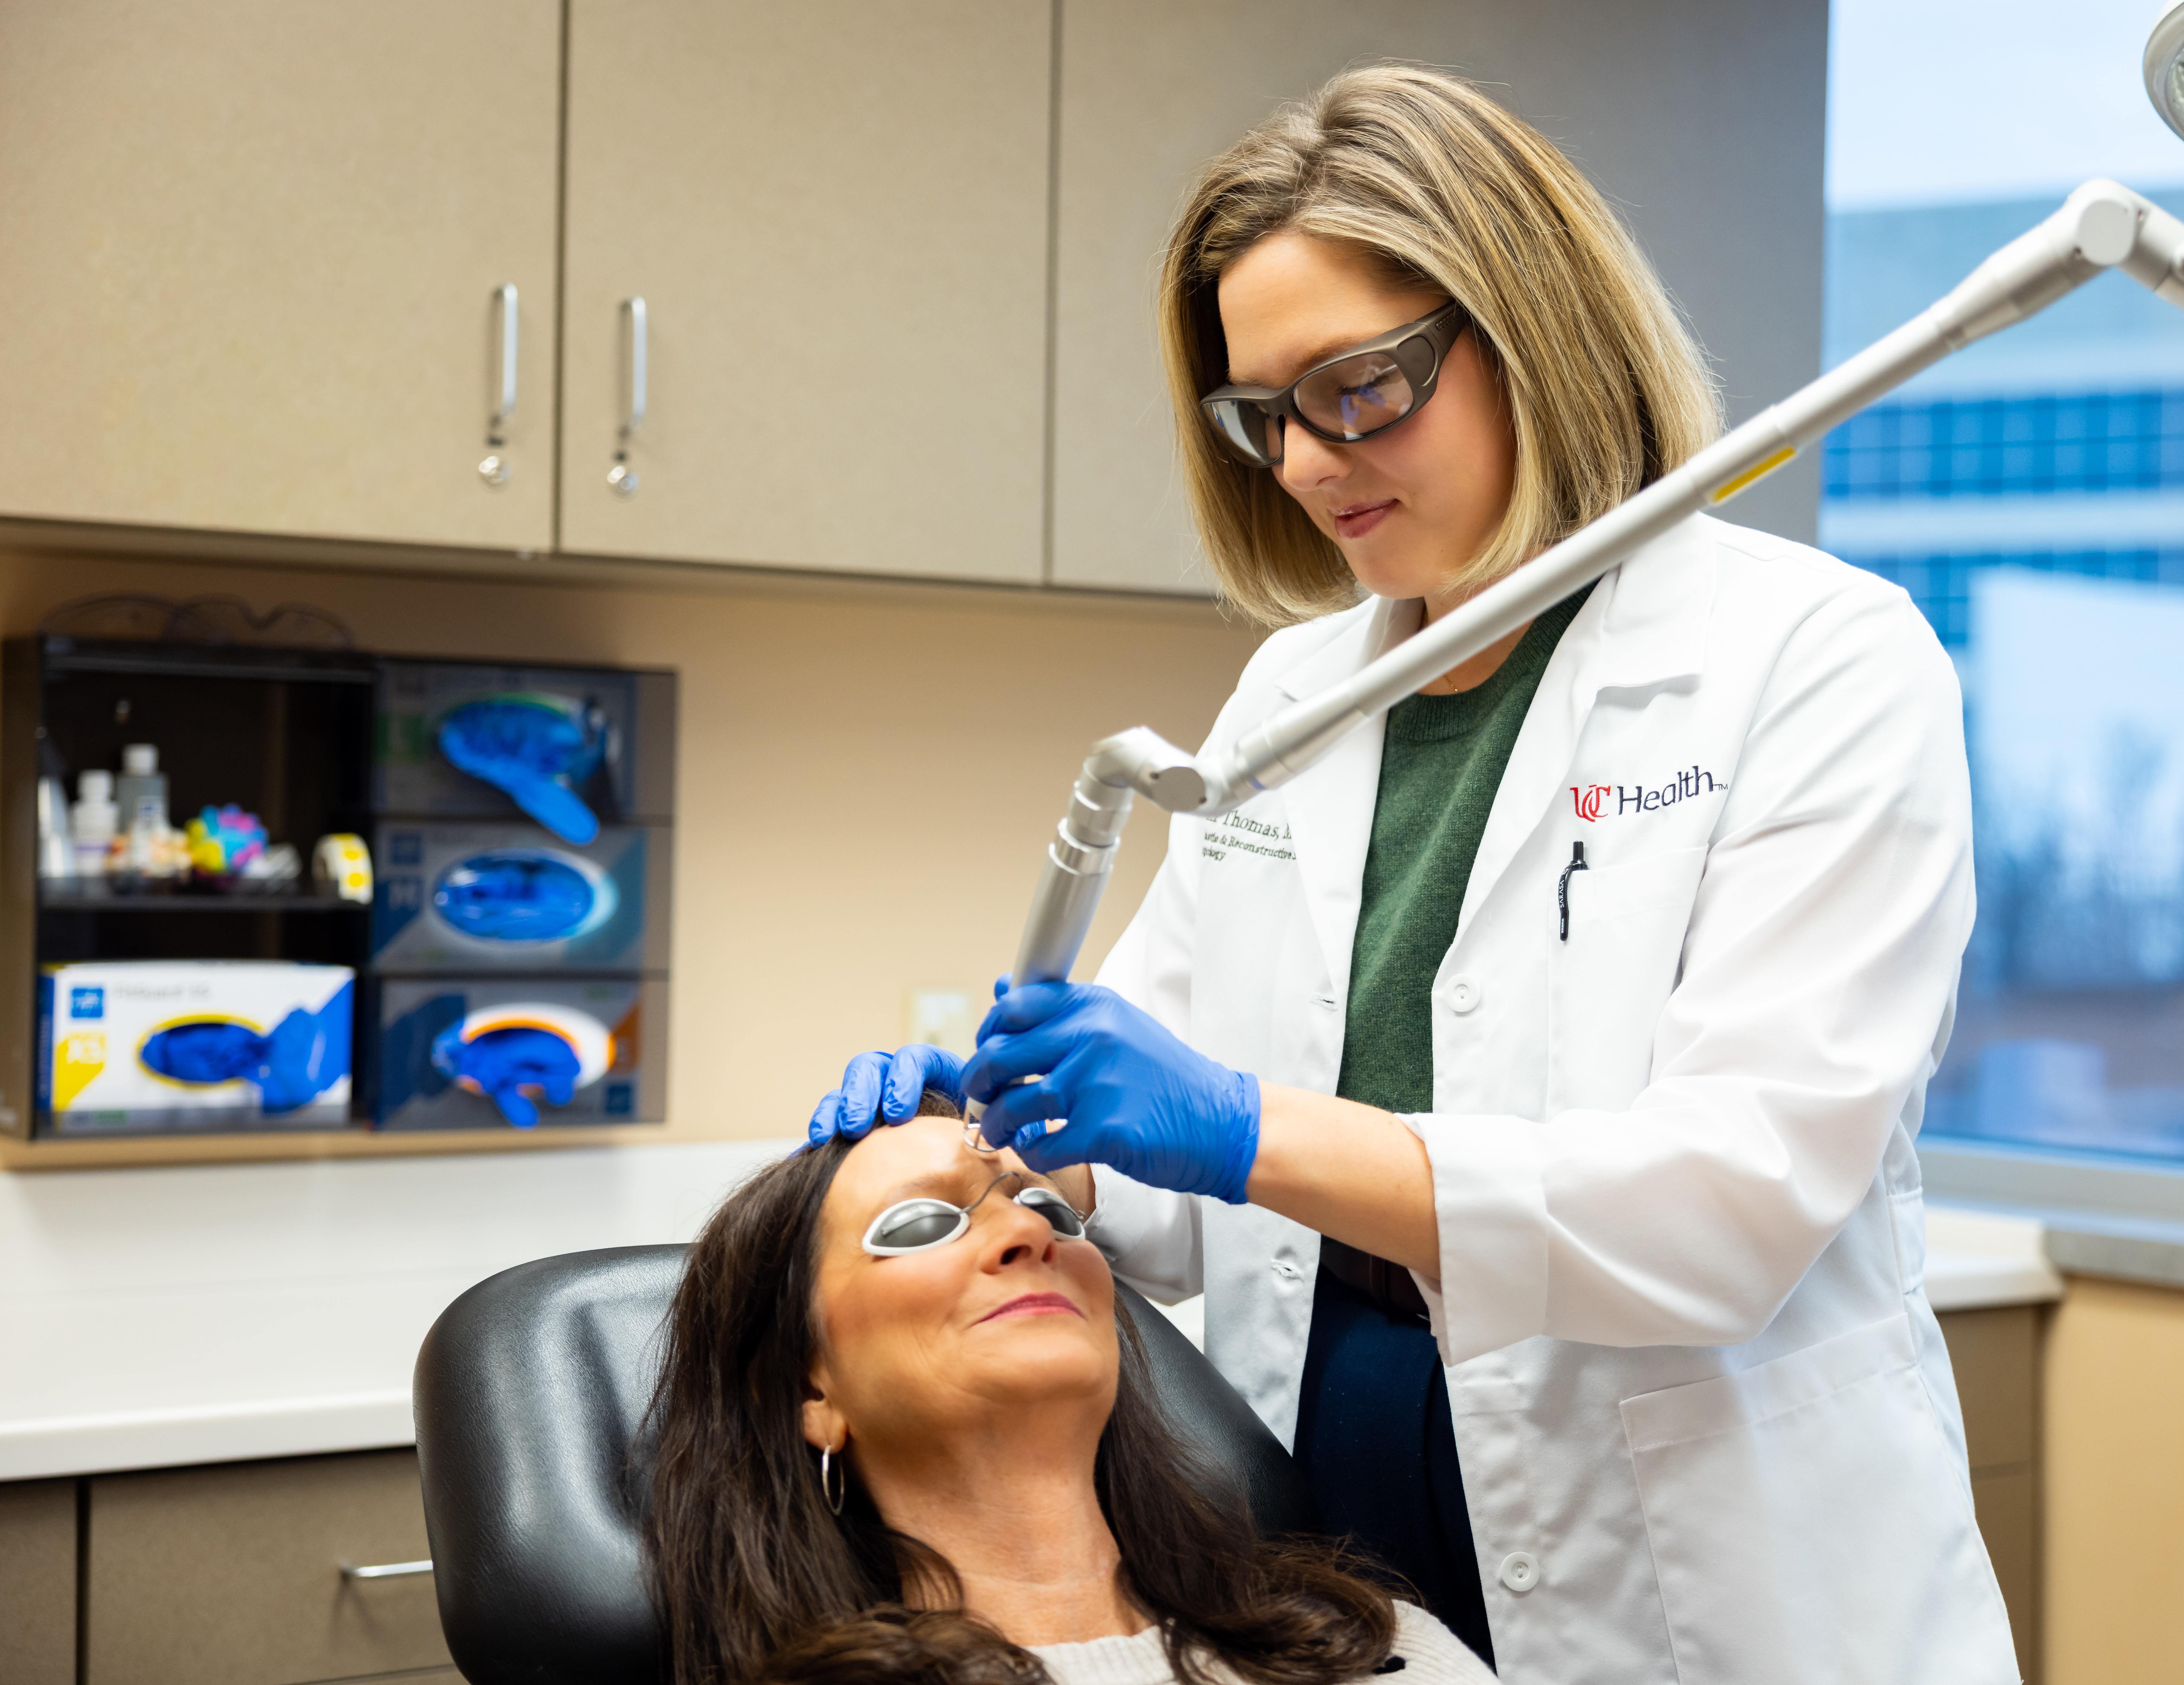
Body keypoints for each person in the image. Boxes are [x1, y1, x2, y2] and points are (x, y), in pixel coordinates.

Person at [812, 65, 2018, 1684]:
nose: (1309, 463)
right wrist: (1026, 1143)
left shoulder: (1812, 658)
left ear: (1533, 332)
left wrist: (1238, 1126)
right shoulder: (1291, 696)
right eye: (1264, 415)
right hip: (1340, 1507)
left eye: (1360, 388)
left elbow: (1728, 1207)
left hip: (1703, 1550)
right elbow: (1169, 1134)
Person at [644, 1093, 1494, 1685]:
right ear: (809, 1392)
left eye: (1051, 1210)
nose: (1026, 1229)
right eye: (919, 1224)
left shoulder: (1370, 1648)